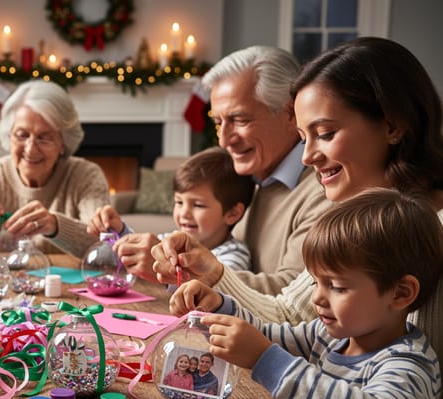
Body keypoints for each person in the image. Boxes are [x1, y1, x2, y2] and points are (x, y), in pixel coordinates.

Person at [163, 37, 443, 399]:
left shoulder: (401, 240)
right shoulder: (356, 226)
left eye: (325, 133)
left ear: (393, 126)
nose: (308, 156)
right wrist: (220, 299)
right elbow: (296, 323)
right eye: (304, 134)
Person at [177, 189, 443, 399]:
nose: (317, 297)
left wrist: (264, 359)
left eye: (337, 286)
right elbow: (270, 336)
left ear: (400, 293)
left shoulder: (410, 363)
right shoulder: (329, 333)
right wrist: (221, 309)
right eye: (316, 282)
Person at [140, 46, 332, 292]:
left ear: (291, 113)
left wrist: (182, 275)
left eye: (240, 120)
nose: (224, 140)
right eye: (219, 123)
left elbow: (293, 296)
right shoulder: (248, 176)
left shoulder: (322, 192)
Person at [0, 80, 110, 258]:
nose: (30, 149)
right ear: (9, 134)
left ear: (63, 142)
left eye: (44, 138)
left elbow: (106, 246)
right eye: (22, 135)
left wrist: (55, 226)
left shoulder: (86, 176)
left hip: (69, 287)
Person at [90, 147, 255, 274]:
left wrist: (164, 266)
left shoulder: (233, 256)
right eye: (179, 202)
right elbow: (141, 254)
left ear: (232, 214)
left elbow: (217, 289)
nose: (184, 213)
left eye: (198, 205)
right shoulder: (170, 240)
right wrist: (119, 231)